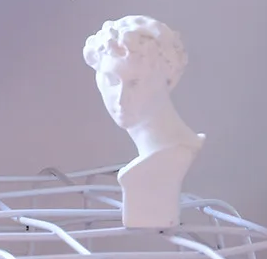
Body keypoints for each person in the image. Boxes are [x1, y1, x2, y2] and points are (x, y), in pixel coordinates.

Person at [84, 15, 204, 228]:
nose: (121, 99)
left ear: (169, 79)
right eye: (112, 80)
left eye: (135, 83)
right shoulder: (164, 155)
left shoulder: (171, 156)